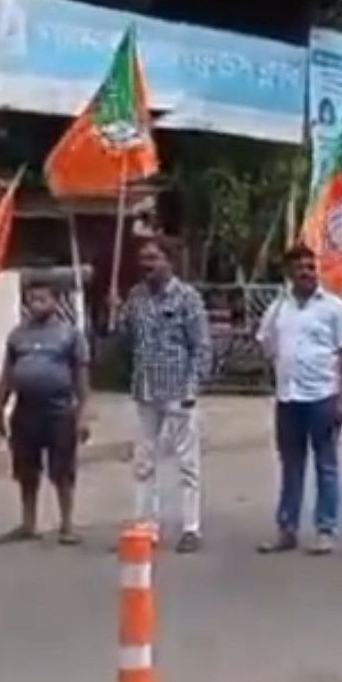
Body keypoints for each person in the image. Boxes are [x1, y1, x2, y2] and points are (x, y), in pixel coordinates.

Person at [255, 244, 342, 556]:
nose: (306, 272)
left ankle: (326, 529)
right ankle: (287, 529)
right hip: (288, 398)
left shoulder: (334, 308)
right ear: (289, 273)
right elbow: (265, 343)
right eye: (299, 267)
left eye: (310, 267)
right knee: (291, 466)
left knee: (326, 465)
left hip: (323, 397)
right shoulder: (279, 308)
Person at [119, 236, 212, 554]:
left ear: (169, 261)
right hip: (145, 389)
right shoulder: (136, 296)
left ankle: (190, 527)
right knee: (144, 461)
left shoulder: (187, 298)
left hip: (178, 390)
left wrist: (192, 387)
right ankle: (146, 524)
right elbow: (125, 337)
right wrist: (114, 313)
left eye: (154, 258)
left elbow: (200, 346)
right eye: (143, 259)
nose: (147, 265)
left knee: (187, 462)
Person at [0, 278, 91, 545]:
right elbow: (7, 374)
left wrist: (83, 415)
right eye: (32, 300)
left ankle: (67, 525)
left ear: (55, 302)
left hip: (59, 410)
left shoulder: (69, 335)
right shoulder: (17, 335)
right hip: (25, 410)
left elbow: (80, 378)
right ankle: (28, 524)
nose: (36, 305)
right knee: (26, 470)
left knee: (62, 470)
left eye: (42, 299)